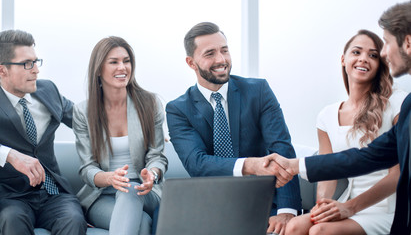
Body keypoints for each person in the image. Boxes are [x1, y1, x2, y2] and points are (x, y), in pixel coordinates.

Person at [267, 1, 411, 234]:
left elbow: (396, 171)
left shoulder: (399, 103)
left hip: (385, 205)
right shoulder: (327, 115)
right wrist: (320, 207)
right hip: (348, 200)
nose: (365, 58)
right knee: (295, 227)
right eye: (356, 52)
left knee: (319, 232)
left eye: (374, 54)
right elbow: (336, 168)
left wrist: (349, 208)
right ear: (343, 59)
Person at [166, 22, 301, 234]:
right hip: (211, 207)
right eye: (210, 53)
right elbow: (197, 163)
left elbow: (281, 149)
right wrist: (251, 165)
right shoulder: (178, 109)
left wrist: (287, 210)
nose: (221, 60)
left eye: (224, 50)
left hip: (265, 202)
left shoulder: (259, 91)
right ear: (191, 63)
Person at [73, 36, 167, 235]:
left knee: (131, 189)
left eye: (126, 61)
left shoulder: (150, 104)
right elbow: (87, 167)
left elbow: (157, 156)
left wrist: (152, 174)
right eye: (114, 62)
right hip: (102, 195)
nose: (122, 67)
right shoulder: (83, 112)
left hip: (145, 190)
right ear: (99, 69)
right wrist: (109, 178)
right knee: (141, 224)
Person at [0, 30, 87, 234]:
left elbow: (86, 121)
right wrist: (10, 155)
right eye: (27, 64)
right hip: (11, 197)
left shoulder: (48, 90)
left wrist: (140, 133)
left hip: (53, 193)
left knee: (74, 219)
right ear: (2, 70)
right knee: (11, 220)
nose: (36, 70)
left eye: (36, 61)